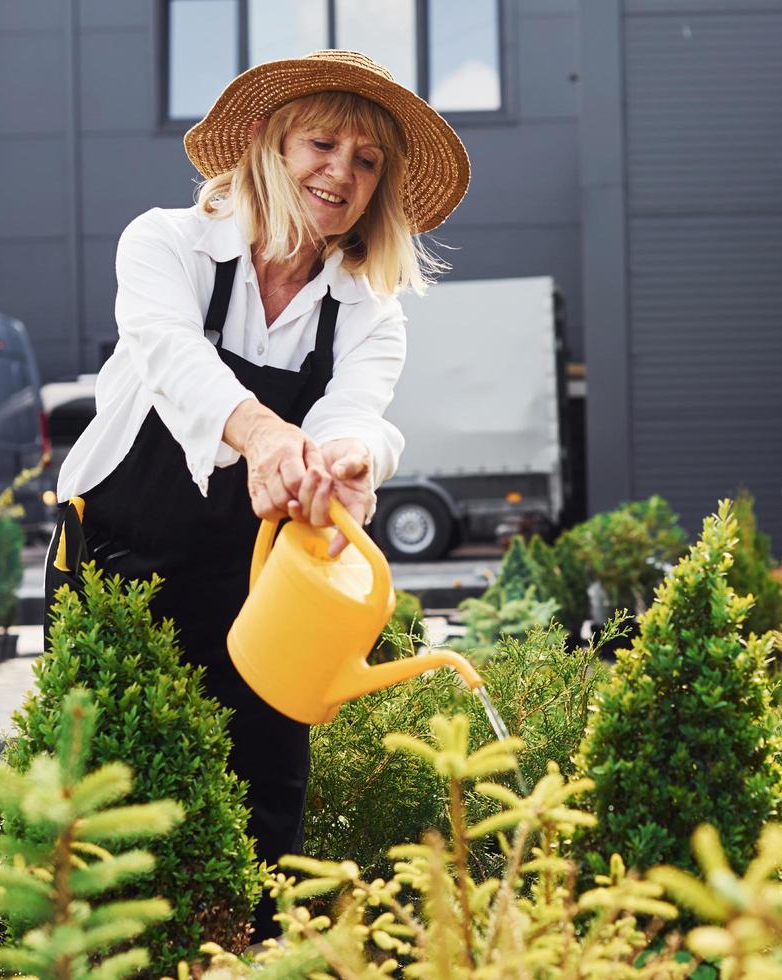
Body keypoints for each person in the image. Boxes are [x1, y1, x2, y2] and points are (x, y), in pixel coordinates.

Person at [45, 49, 470, 938]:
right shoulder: (166, 243)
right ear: (272, 146)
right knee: (105, 819)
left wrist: (348, 462)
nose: (341, 174)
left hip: (262, 589)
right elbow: (170, 355)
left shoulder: (365, 305)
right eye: (323, 143)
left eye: (367, 160)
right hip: (118, 564)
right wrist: (268, 434)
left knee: (268, 808)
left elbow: (359, 413)